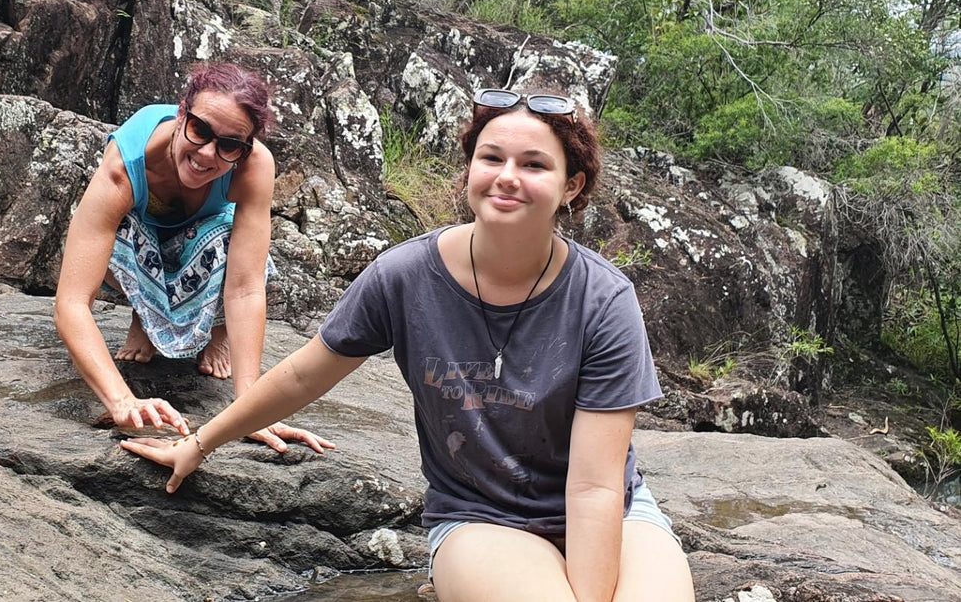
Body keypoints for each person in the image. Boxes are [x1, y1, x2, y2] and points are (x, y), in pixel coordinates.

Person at [122, 88, 695, 601]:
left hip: (612, 512)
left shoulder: (603, 299)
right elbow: (303, 375)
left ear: (571, 186)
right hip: (481, 518)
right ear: (469, 169)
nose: (507, 176)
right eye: (491, 158)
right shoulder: (406, 276)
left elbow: (595, 486)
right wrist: (199, 443)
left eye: (534, 164)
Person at [53, 62, 331, 454]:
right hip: (137, 252)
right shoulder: (128, 163)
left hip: (203, 249)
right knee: (114, 231)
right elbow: (72, 302)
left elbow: (246, 287)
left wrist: (248, 408)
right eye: (200, 130)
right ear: (181, 112)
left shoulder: (254, 167)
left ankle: (215, 331)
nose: (207, 154)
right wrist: (122, 401)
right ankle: (144, 316)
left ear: (246, 148)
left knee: (230, 236)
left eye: (230, 145)